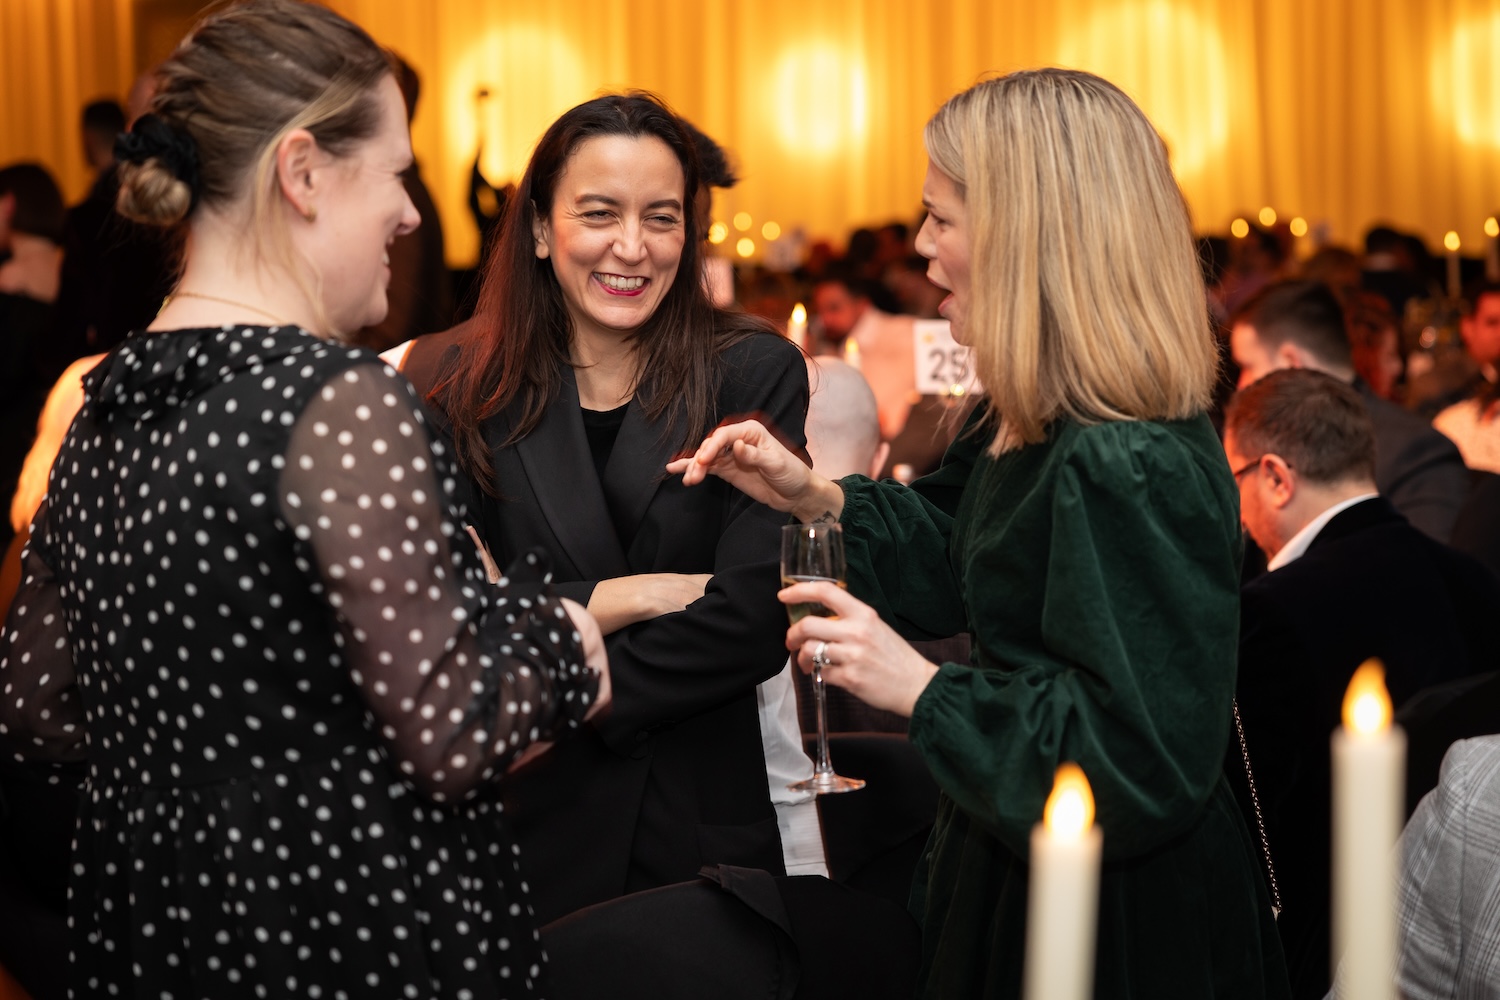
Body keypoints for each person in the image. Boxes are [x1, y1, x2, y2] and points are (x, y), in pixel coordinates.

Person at [0, 4, 608, 998]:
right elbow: (452, 729)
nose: (411, 214)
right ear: (303, 172)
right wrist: (567, 642)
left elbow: (34, 709)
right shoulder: (337, 403)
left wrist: (209, 770)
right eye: (396, 173)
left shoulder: (102, 402)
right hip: (339, 935)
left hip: (152, 936)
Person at [673, 68, 1288, 999]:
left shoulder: (1126, 457)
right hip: (1021, 846)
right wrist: (811, 494)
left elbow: (1138, 758)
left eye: (939, 218)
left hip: (1115, 915)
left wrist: (920, 688)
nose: (921, 245)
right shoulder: (1038, 413)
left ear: (1024, 234)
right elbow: (959, 551)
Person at [399, 92, 808, 926]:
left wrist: (537, 655)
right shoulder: (452, 381)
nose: (632, 247)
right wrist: (637, 594)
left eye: (662, 218)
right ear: (540, 230)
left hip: (696, 828)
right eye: (598, 213)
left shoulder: (750, 370)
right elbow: (450, 626)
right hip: (519, 823)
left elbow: (753, 618)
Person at [1221, 368, 1500, 999]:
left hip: (1330, 948)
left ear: (1275, 476)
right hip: (1473, 909)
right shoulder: (1476, 581)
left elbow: (1255, 830)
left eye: (1234, 478)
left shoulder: (1268, 611)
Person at [1230, 280, 1470, 543]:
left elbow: (1420, 562)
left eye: (1248, 366)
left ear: (1291, 364)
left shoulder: (1414, 451)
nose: (1242, 385)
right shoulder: (1262, 445)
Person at [0, 162, 67, 559]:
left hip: (10, 439)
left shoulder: (8, 279)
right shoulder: (69, 270)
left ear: (8, 204)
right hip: (59, 431)